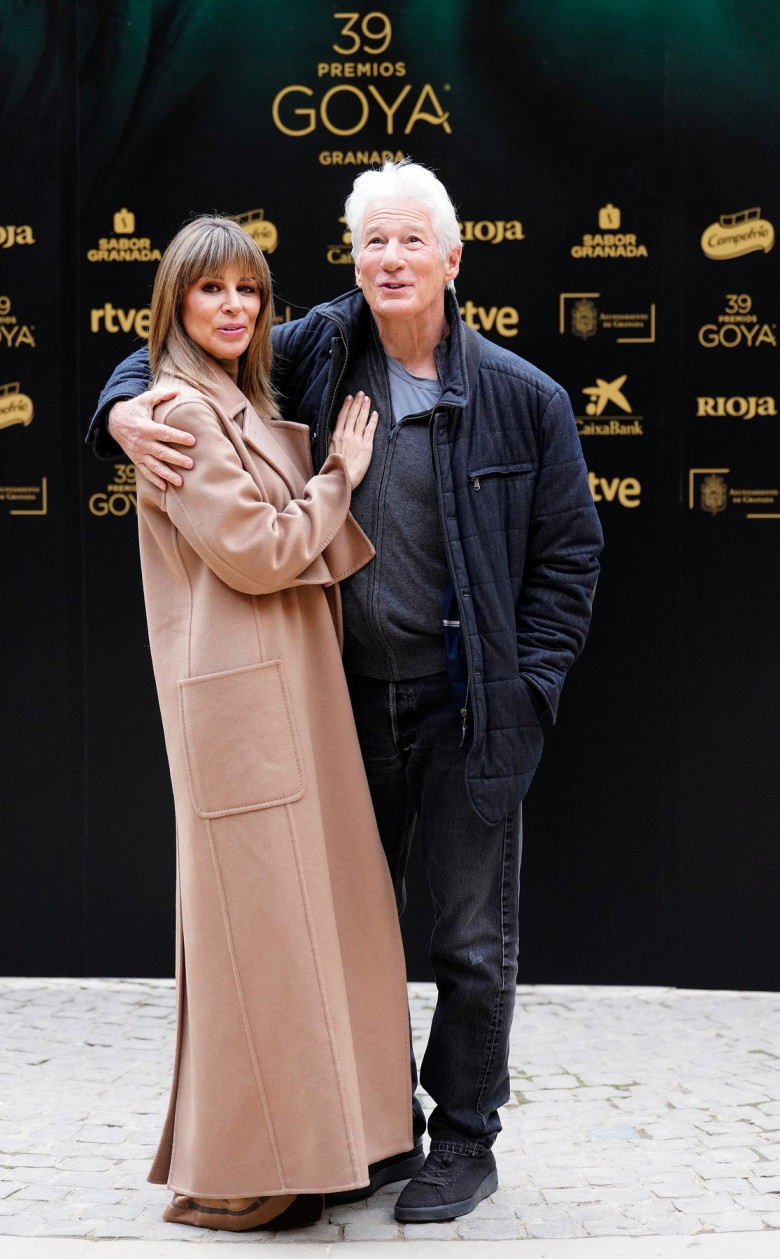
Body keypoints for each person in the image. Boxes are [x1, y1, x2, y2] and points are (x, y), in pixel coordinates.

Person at [87, 160, 604, 1224]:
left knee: (467, 939)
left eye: (414, 241)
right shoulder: (321, 344)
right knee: (341, 929)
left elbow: (571, 559)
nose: (393, 260)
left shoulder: (526, 397)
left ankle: (463, 1139)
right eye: (374, 243)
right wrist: (116, 412)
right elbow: (183, 348)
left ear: (454, 259)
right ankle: (371, 1134)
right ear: (354, 261)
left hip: (469, 707)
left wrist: (533, 688)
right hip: (345, 703)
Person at [120, 214, 415, 1232]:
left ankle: (327, 1140)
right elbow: (253, 549)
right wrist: (340, 476)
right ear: (176, 304)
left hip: (288, 695)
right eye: (211, 291)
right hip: (249, 707)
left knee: (313, 923)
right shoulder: (180, 411)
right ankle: (257, 1162)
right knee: (261, 936)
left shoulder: (230, 397)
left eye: (249, 289)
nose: (235, 307)